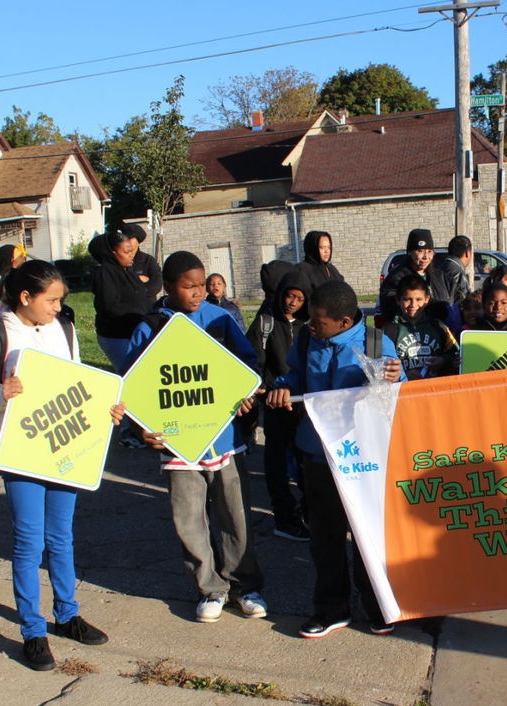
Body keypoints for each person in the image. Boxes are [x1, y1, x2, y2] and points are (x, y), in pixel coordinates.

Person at [0, 260, 120, 671]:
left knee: (61, 537)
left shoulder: (63, 329)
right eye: (51, 300)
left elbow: (80, 380)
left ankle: (67, 615)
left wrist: (106, 407)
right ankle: (32, 630)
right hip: (21, 451)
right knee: (28, 542)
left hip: (65, 447)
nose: (57, 307)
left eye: (60, 300)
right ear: (25, 297)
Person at [126, 252, 268, 625]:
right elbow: (131, 387)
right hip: (178, 443)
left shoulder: (220, 319)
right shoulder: (151, 328)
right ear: (169, 287)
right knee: (189, 520)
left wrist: (246, 394)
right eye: (189, 286)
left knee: (236, 517)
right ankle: (210, 588)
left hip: (225, 439)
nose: (199, 292)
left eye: (203, 285)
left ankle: (245, 586)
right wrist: (140, 427)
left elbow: (247, 366)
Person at [267, 280, 404, 638]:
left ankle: (377, 606)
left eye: (319, 321)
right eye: (310, 319)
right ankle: (331, 609)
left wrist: (395, 376)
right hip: (318, 456)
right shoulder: (306, 339)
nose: (310, 325)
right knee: (325, 537)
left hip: (363, 459)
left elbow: (397, 390)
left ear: (344, 322)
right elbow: (295, 375)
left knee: (367, 536)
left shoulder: (376, 343)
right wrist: (284, 386)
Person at [247, 271, 310, 542]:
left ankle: (308, 512)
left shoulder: (309, 326)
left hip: (302, 406)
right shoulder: (266, 323)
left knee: (306, 463)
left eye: (299, 298)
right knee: (277, 466)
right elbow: (253, 361)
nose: (292, 302)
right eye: (289, 295)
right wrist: (268, 388)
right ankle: (284, 518)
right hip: (275, 406)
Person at [91, 229, 155, 373]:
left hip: (134, 331)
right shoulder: (104, 273)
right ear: (112, 253)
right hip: (117, 335)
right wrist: (140, 316)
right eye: (126, 252)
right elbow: (109, 305)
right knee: (132, 374)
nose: (131, 255)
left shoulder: (127, 270)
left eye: (132, 251)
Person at [379, 229, 465, 327]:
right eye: (420, 251)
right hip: (408, 331)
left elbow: (459, 300)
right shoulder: (396, 279)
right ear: (410, 252)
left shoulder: (442, 277)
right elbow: (390, 309)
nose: (425, 256)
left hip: (441, 331)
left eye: (429, 251)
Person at [383, 275, 459, 380]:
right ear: (398, 300)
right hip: (403, 388)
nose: (413, 304)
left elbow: (457, 356)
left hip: (434, 387)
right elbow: (381, 365)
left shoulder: (439, 327)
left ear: (427, 299)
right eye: (407, 299)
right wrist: (403, 374)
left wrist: (443, 360)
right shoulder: (388, 331)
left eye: (419, 299)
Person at [298, 230, 344, 294]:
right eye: (322, 247)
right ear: (313, 248)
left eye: (329, 247)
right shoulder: (302, 269)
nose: (327, 251)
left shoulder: (331, 268)